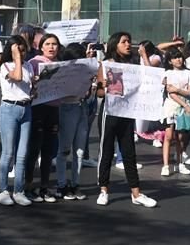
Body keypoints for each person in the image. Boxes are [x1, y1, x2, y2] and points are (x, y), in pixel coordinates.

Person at [94, 32, 157, 207]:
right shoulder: (106, 65)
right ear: (115, 45)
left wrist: (144, 54)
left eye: (129, 41)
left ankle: (136, 193)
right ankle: (104, 189)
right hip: (110, 112)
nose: (128, 44)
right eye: (124, 42)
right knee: (106, 151)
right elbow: (98, 92)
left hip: (127, 112)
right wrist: (103, 87)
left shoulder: (133, 65)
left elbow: (150, 77)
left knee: (129, 153)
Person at [24, 33, 62, 202]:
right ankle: (28, 186)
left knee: (48, 151)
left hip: (54, 110)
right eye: (48, 44)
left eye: (54, 44)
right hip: (38, 109)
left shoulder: (62, 64)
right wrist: (36, 81)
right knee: (33, 149)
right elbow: (27, 84)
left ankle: (44, 187)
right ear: (41, 46)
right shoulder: (35, 62)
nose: (51, 47)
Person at [0, 35, 34, 206]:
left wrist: (35, 89)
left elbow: (28, 87)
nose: (21, 53)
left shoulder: (29, 66)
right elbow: (17, 77)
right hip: (9, 109)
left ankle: (19, 190)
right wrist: (16, 57)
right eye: (18, 49)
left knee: (22, 154)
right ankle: (3, 190)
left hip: (26, 108)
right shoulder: (5, 66)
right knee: (8, 152)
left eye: (23, 49)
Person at [53, 43, 91, 201]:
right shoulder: (63, 71)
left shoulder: (85, 71)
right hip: (67, 108)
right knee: (64, 149)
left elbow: (87, 93)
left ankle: (75, 184)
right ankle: (61, 185)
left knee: (80, 151)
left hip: (81, 107)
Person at [160, 47, 190, 176]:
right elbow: (170, 93)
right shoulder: (167, 73)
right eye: (175, 57)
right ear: (170, 61)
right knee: (169, 136)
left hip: (184, 107)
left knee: (181, 137)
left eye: (180, 56)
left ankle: (180, 163)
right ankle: (165, 166)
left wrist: (178, 90)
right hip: (171, 107)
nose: (178, 59)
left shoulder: (188, 73)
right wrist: (183, 100)